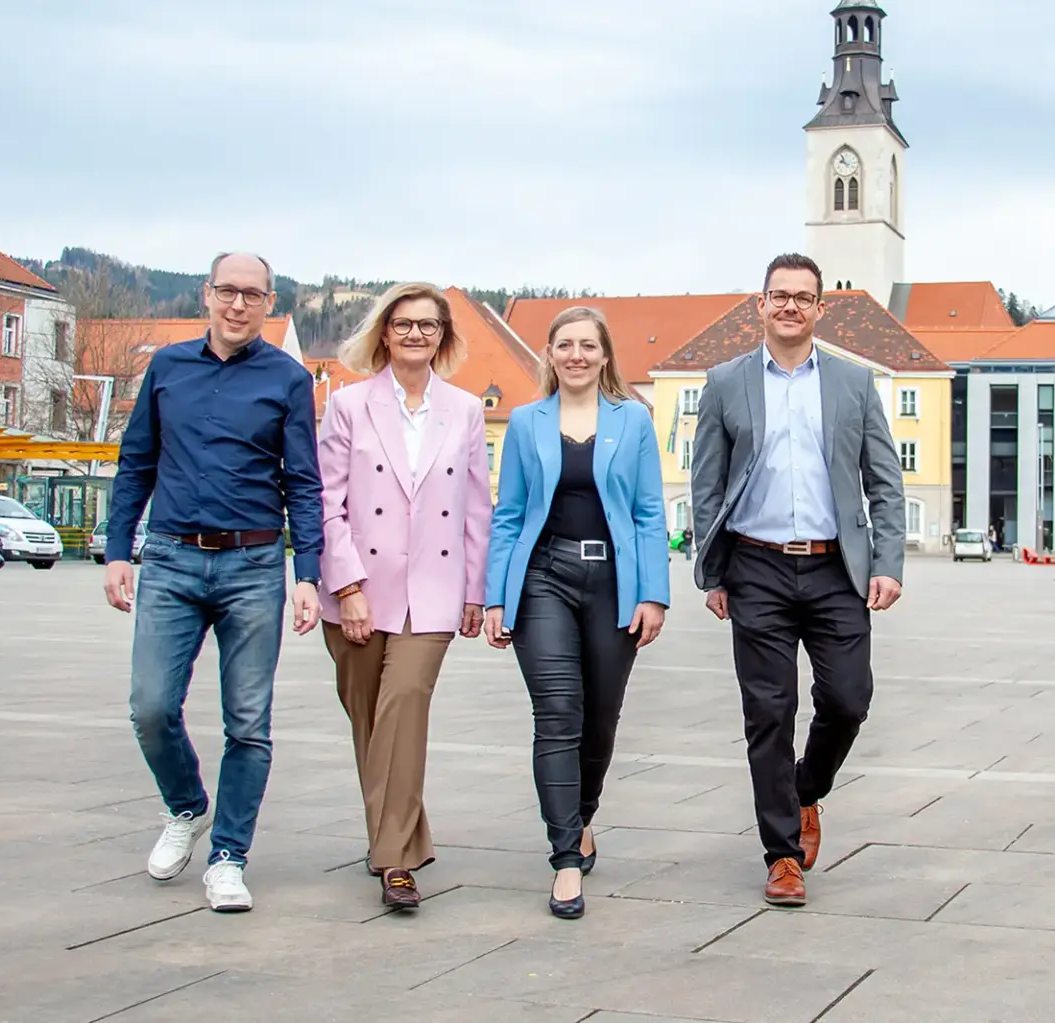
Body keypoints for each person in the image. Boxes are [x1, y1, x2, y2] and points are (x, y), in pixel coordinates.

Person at [103, 252, 324, 913]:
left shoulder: (287, 379)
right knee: (150, 706)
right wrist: (119, 549)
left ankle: (228, 855)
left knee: (248, 722)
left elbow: (304, 482)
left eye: (252, 295)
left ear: (268, 303)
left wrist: (306, 571)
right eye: (227, 291)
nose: (237, 304)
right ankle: (186, 805)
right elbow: (135, 461)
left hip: (253, 564)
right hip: (170, 559)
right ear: (206, 294)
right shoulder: (167, 367)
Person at [690, 253, 904, 908]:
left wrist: (888, 563)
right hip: (756, 566)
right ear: (761, 305)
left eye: (801, 297)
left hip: (837, 566)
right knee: (769, 712)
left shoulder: (852, 382)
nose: (789, 306)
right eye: (778, 295)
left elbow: (884, 480)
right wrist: (714, 568)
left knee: (848, 699)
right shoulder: (725, 382)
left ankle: (807, 788)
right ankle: (782, 854)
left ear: (819, 308)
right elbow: (707, 485)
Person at [484, 306, 668, 919]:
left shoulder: (633, 420)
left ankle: (582, 818)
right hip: (543, 578)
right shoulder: (526, 422)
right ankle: (565, 857)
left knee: (601, 719)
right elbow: (507, 514)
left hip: (616, 580)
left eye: (588, 345)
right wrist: (494, 596)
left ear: (605, 355)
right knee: (558, 711)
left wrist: (653, 594)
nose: (577, 355)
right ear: (551, 354)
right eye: (565, 345)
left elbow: (648, 513)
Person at [316, 282, 492, 910]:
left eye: (428, 325)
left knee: (405, 707)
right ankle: (392, 837)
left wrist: (477, 590)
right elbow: (327, 503)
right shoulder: (349, 406)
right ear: (384, 333)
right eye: (403, 324)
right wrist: (347, 585)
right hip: (359, 592)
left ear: (444, 336)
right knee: (370, 720)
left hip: (435, 593)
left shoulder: (465, 410)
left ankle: (396, 862)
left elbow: (477, 507)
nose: (416, 334)